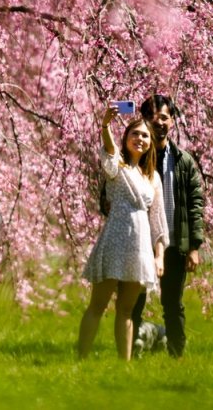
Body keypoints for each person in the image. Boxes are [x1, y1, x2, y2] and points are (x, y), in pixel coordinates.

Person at [78, 106, 169, 360]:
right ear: (126, 137)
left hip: (139, 248)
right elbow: (109, 149)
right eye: (135, 134)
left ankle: (124, 365)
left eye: (144, 136)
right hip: (115, 242)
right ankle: (81, 359)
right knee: (97, 305)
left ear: (151, 143)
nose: (139, 139)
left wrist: (159, 255)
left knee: (126, 310)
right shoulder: (117, 166)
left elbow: (157, 220)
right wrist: (106, 125)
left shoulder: (153, 178)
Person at [132, 94, 205, 358]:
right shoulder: (134, 159)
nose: (157, 122)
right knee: (135, 302)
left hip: (174, 244)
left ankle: (176, 355)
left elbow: (196, 204)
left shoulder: (183, 162)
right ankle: (130, 353)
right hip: (140, 244)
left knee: (172, 304)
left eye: (164, 117)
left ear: (172, 121)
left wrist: (194, 247)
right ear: (143, 119)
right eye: (152, 116)